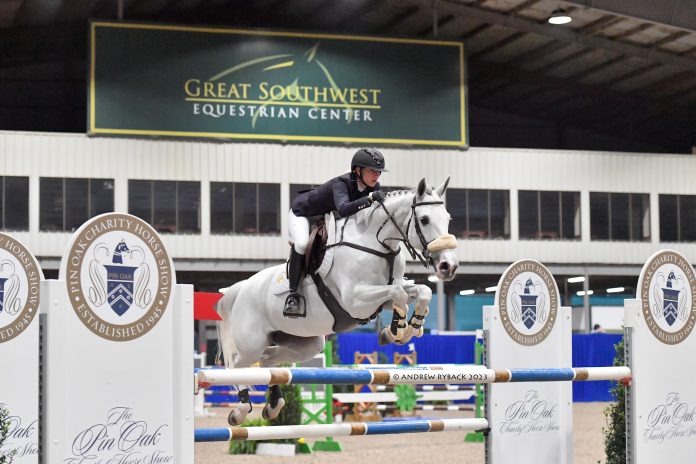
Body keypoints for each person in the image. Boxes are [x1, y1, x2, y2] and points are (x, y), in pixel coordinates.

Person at [283, 148, 388, 317]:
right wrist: (369, 199)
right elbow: (344, 209)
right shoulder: (342, 183)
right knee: (301, 244)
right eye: (372, 170)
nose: (376, 175)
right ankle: (293, 295)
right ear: (357, 170)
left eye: (379, 171)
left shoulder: (373, 186)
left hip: (326, 216)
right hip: (303, 213)